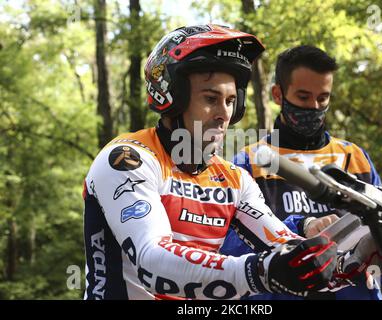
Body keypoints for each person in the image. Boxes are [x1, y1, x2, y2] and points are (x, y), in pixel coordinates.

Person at [82, 25, 338, 300]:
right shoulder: (128, 159)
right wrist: (260, 271)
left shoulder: (234, 179)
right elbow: (152, 261)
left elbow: (289, 248)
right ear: (173, 99)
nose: (224, 114)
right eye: (210, 99)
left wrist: (360, 255)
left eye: (230, 101)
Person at [220, 45, 382, 299]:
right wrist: (301, 228)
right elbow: (228, 249)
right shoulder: (250, 161)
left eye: (323, 98)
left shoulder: (355, 158)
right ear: (278, 94)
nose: (314, 107)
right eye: (303, 97)